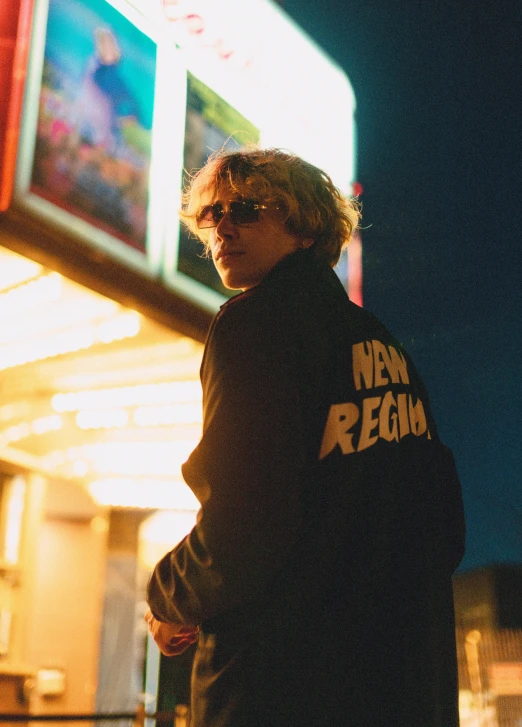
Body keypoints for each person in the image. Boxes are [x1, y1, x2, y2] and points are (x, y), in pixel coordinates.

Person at [145, 147, 465, 727]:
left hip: (278, 687)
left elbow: (242, 524)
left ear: (305, 226)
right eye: (210, 216)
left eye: (244, 209)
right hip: (401, 687)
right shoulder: (384, 345)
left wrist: (167, 597)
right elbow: (445, 531)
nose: (222, 228)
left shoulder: (254, 324)